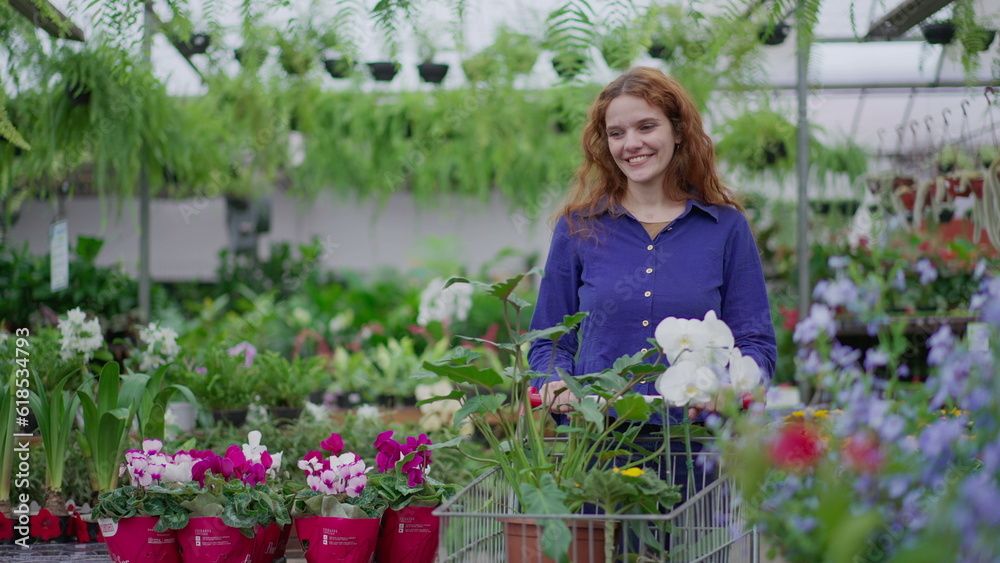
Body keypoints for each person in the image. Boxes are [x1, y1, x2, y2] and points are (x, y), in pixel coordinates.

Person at [526, 64, 776, 562]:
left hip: (696, 449)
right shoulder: (578, 229)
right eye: (616, 133)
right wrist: (554, 382)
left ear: (678, 131)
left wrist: (734, 387)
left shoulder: (724, 229)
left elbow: (756, 343)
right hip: (596, 447)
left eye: (646, 126)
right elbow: (549, 340)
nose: (631, 143)